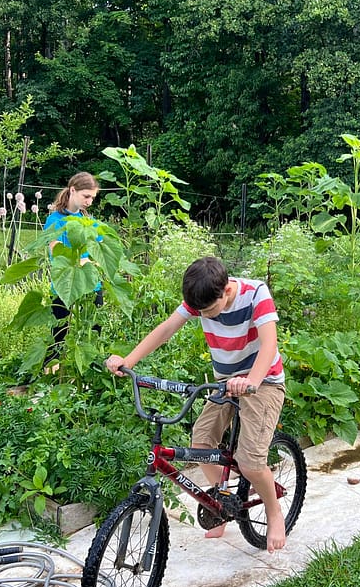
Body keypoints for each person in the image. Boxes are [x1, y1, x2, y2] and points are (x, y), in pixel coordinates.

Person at [105, 256, 288, 553]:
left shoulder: (256, 294)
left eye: (209, 311)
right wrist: (128, 361)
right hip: (224, 383)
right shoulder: (203, 298)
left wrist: (251, 381)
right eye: (200, 312)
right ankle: (222, 502)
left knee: (251, 462)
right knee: (201, 444)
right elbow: (167, 329)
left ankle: (274, 511)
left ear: (226, 290)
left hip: (262, 382)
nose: (205, 316)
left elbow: (269, 345)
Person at [43, 172, 103, 369]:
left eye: (93, 197)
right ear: (73, 190)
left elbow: (101, 253)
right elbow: (57, 252)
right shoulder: (55, 220)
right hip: (65, 286)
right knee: (59, 339)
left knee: (92, 337)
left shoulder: (89, 222)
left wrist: (92, 260)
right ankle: (54, 380)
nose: (89, 202)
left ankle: (86, 378)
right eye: (86, 196)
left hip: (91, 286)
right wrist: (83, 260)